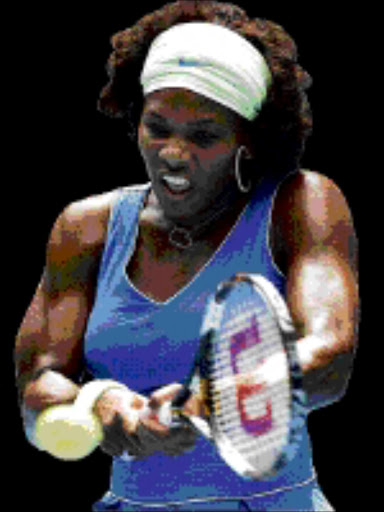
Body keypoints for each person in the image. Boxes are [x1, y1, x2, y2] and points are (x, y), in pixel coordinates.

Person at [14, 1, 358, 510]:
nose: (173, 153)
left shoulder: (301, 202)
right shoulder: (84, 227)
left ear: (251, 139)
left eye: (203, 136)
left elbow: (330, 355)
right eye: (158, 128)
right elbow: (36, 386)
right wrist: (99, 400)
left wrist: (213, 397)